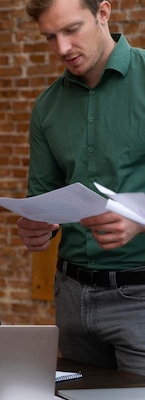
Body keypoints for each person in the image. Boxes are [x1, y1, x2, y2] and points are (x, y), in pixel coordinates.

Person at [18, 0, 145, 375]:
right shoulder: (46, 107)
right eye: (50, 37)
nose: (61, 49)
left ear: (102, 13)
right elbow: (41, 197)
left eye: (71, 30)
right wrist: (35, 224)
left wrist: (140, 218)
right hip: (71, 297)